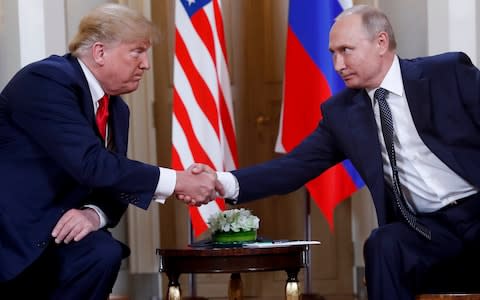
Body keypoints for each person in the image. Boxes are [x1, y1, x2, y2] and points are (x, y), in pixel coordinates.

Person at [188, 4, 480, 300]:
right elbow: (294, 167)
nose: (338, 64)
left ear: (381, 43)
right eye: (332, 53)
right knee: (384, 243)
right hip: (428, 232)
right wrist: (220, 182)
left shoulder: (447, 73)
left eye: (346, 50)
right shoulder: (342, 113)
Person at [0, 3, 219, 300]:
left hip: (57, 231)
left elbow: (113, 177)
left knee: (102, 253)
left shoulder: (116, 109)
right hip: (13, 231)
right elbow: (91, 164)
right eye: (137, 51)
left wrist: (95, 214)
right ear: (100, 52)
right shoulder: (46, 81)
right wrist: (178, 180)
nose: (146, 64)